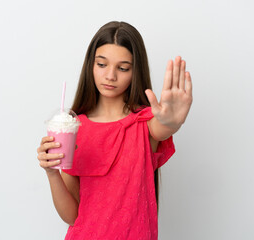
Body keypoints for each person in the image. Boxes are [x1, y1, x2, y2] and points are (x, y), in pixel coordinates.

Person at [36, 21, 193, 239]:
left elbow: (163, 127)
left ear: (135, 71)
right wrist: (52, 173)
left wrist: (173, 122)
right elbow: (72, 216)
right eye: (102, 64)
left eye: (122, 68)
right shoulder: (74, 128)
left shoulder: (144, 122)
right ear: (91, 65)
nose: (110, 76)